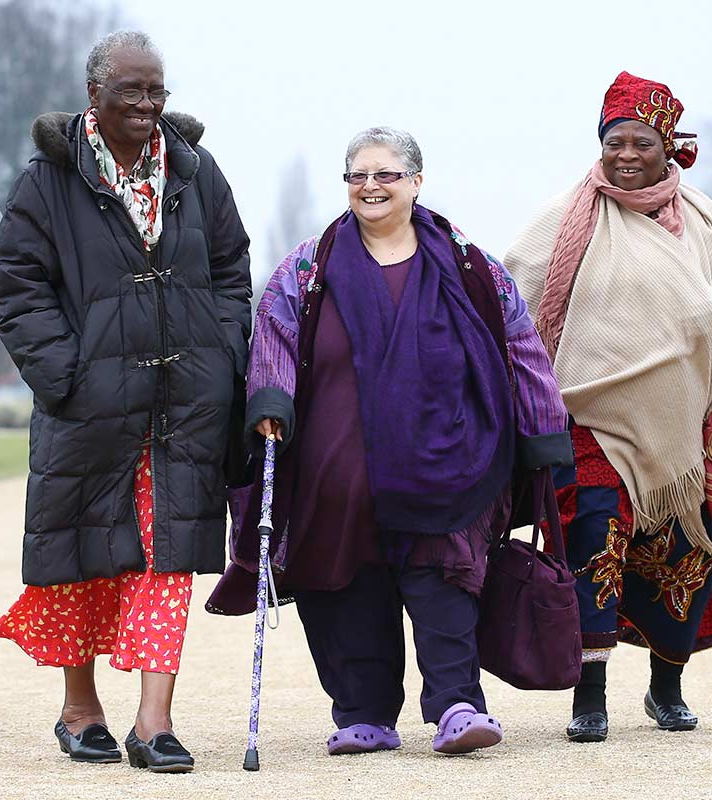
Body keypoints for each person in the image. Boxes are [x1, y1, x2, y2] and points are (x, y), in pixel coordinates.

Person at [209, 127, 572, 758]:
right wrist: (270, 402)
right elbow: (273, 333)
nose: (370, 187)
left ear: (416, 182)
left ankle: (458, 705)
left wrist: (544, 427)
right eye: (357, 176)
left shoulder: (468, 263)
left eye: (386, 175)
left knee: (444, 576)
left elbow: (519, 340)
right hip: (335, 466)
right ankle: (363, 712)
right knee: (345, 582)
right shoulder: (310, 265)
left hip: (447, 459)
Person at [0, 31, 250, 774]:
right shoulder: (48, 180)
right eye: (130, 90)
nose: (145, 104)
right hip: (87, 405)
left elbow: (232, 267)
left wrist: (224, 353)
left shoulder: (197, 173)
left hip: (184, 402)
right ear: (93, 96)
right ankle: (80, 709)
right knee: (84, 553)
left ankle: (155, 722)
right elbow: (15, 286)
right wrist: (65, 375)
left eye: (155, 90)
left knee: (166, 555)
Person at [504, 72, 712, 744]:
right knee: (595, 539)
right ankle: (590, 694)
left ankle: (667, 686)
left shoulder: (706, 218)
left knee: (689, 548)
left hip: (689, 422)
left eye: (640, 142)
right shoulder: (565, 217)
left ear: (670, 147)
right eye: (613, 142)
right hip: (593, 417)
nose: (625, 154)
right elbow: (512, 288)